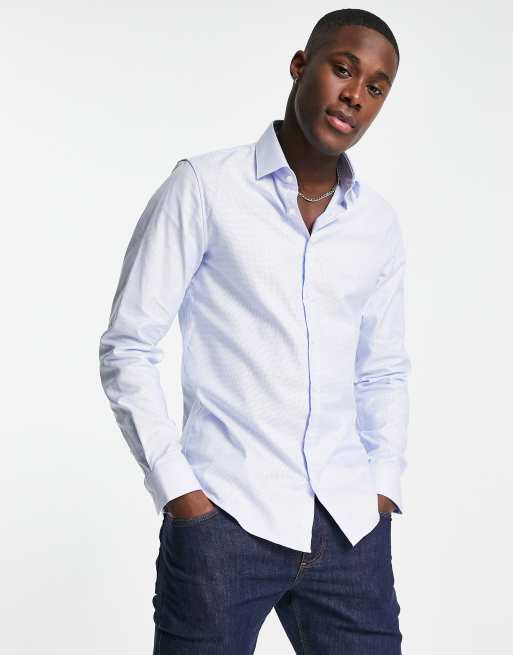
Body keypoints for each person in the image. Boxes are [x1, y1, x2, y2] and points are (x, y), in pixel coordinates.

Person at [99, 8, 411, 654]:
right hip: (225, 520)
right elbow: (129, 345)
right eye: (342, 69)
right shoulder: (204, 188)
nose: (355, 94)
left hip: (349, 529)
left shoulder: (376, 224)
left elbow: (381, 370)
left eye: (376, 86)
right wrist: (180, 493)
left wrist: (381, 486)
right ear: (300, 66)